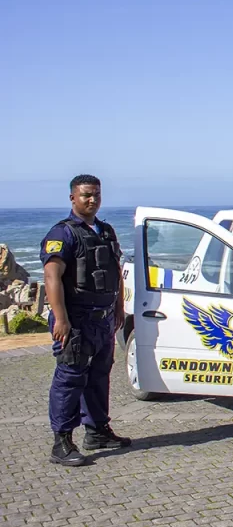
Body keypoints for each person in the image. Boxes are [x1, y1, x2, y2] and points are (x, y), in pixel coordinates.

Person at [40, 175, 131, 466]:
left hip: (103, 319)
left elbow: (115, 271)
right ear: (73, 198)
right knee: (70, 378)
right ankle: (62, 443)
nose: (92, 200)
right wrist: (61, 319)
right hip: (75, 321)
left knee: (99, 376)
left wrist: (119, 308)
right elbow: (52, 277)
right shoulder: (63, 234)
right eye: (86, 195)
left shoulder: (105, 231)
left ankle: (97, 431)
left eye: (96, 195)